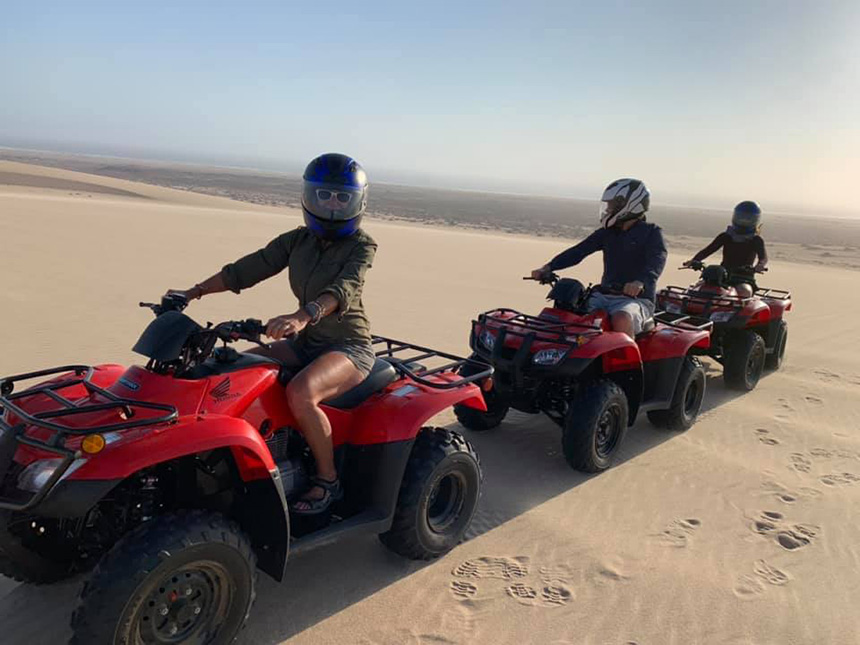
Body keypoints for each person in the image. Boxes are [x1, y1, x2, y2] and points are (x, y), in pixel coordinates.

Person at [165, 153, 377, 515]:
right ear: (310, 196)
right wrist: (192, 293)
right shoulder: (297, 240)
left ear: (357, 201)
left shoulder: (361, 245)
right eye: (324, 195)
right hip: (306, 343)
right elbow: (248, 268)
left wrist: (303, 315)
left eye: (342, 197)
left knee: (302, 392)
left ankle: (328, 481)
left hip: (348, 346)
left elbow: (346, 288)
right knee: (235, 372)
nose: (332, 204)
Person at [530, 178, 667, 339]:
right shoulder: (608, 233)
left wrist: (640, 282)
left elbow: (657, 260)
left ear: (630, 204)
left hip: (637, 300)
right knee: (569, 312)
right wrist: (548, 267)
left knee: (621, 319)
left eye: (612, 204)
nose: (608, 208)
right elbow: (579, 251)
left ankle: (628, 364)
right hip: (603, 295)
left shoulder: (651, 232)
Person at [683, 200, 768, 297]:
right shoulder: (726, 236)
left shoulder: (756, 240)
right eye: (741, 218)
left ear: (755, 220)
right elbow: (708, 250)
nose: (744, 221)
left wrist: (760, 265)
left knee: (744, 292)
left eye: (748, 219)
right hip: (721, 275)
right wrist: (694, 260)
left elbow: (763, 257)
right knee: (697, 289)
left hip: (743, 277)